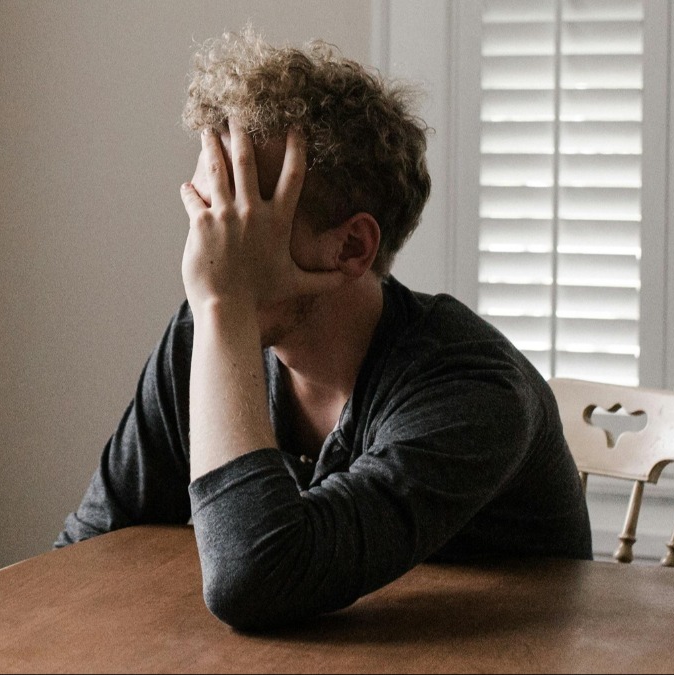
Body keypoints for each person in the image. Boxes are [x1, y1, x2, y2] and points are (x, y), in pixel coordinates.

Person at [55, 27, 592, 631]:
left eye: (240, 216)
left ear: (352, 246)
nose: (205, 252)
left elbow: (255, 580)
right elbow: (86, 553)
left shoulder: (474, 391)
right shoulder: (205, 333)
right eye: (205, 212)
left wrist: (225, 306)